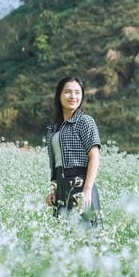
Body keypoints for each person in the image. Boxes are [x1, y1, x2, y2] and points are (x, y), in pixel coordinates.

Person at [44, 76, 102, 227]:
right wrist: (54, 191)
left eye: (77, 92)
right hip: (62, 186)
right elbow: (56, 164)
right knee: (63, 239)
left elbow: (94, 156)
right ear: (59, 95)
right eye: (68, 92)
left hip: (80, 185)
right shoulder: (53, 129)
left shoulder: (85, 121)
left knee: (88, 235)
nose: (73, 97)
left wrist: (87, 190)